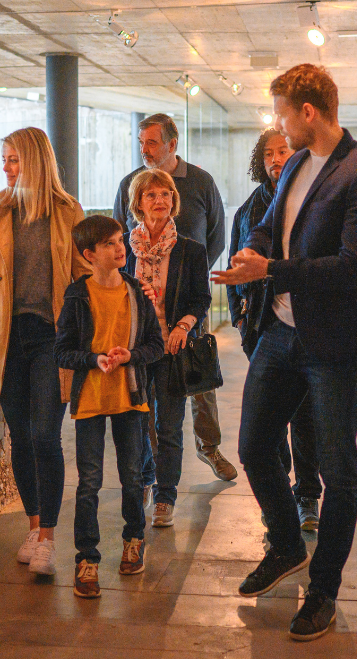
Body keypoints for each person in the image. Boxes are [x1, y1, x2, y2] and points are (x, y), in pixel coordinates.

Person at [213, 64, 357, 641]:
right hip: (281, 332)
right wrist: (252, 253)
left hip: (334, 344)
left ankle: (323, 590)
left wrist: (274, 269)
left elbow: (354, 268)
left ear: (308, 112)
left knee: (339, 471)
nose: (278, 125)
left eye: (282, 113)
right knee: (254, 446)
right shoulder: (292, 163)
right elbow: (268, 227)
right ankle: (288, 544)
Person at [0, 126, 91, 577]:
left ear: (36, 161)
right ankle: (34, 525)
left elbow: (83, 281)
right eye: (4, 159)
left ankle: (49, 539)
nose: (6, 167)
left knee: (45, 436)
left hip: (51, 339)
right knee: (20, 437)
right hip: (6, 340)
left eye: (14, 159)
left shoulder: (67, 212)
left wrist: (85, 338)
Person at [113, 113, 236, 482]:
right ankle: (154, 466)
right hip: (145, 313)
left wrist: (192, 271)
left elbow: (216, 234)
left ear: (172, 143)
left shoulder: (200, 181)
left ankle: (209, 447)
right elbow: (121, 237)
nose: (145, 150)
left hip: (189, 302)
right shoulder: (130, 184)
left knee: (199, 380)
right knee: (151, 394)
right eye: (141, 142)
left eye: (152, 142)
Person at [54, 215, 165, 598]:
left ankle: (134, 540)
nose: (120, 248)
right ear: (89, 255)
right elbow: (63, 350)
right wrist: (93, 359)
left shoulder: (136, 291)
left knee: (132, 476)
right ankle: (87, 559)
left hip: (130, 400)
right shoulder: (76, 294)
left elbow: (156, 345)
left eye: (121, 240)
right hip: (89, 401)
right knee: (89, 483)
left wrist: (130, 355)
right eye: (110, 244)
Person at [228, 128, 322, 531]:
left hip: (303, 327)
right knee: (267, 422)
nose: (276, 158)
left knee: (304, 417)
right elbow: (235, 261)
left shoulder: (312, 200)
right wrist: (237, 316)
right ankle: (280, 494)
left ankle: (307, 496)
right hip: (262, 327)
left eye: (282, 150)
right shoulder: (249, 211)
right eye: (268, 153)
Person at [123, 169, 212, 528]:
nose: (160, 200)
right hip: (135, 350)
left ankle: (165, 495)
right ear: (138, 203)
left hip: (172, 350)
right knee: (138, 423)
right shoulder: (125, 249)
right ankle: (146, 478)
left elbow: (201, 297)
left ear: (174, 200)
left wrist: (183, 326)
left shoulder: (191, 250)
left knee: (169, 426)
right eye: (151, 195)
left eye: (166, 194)